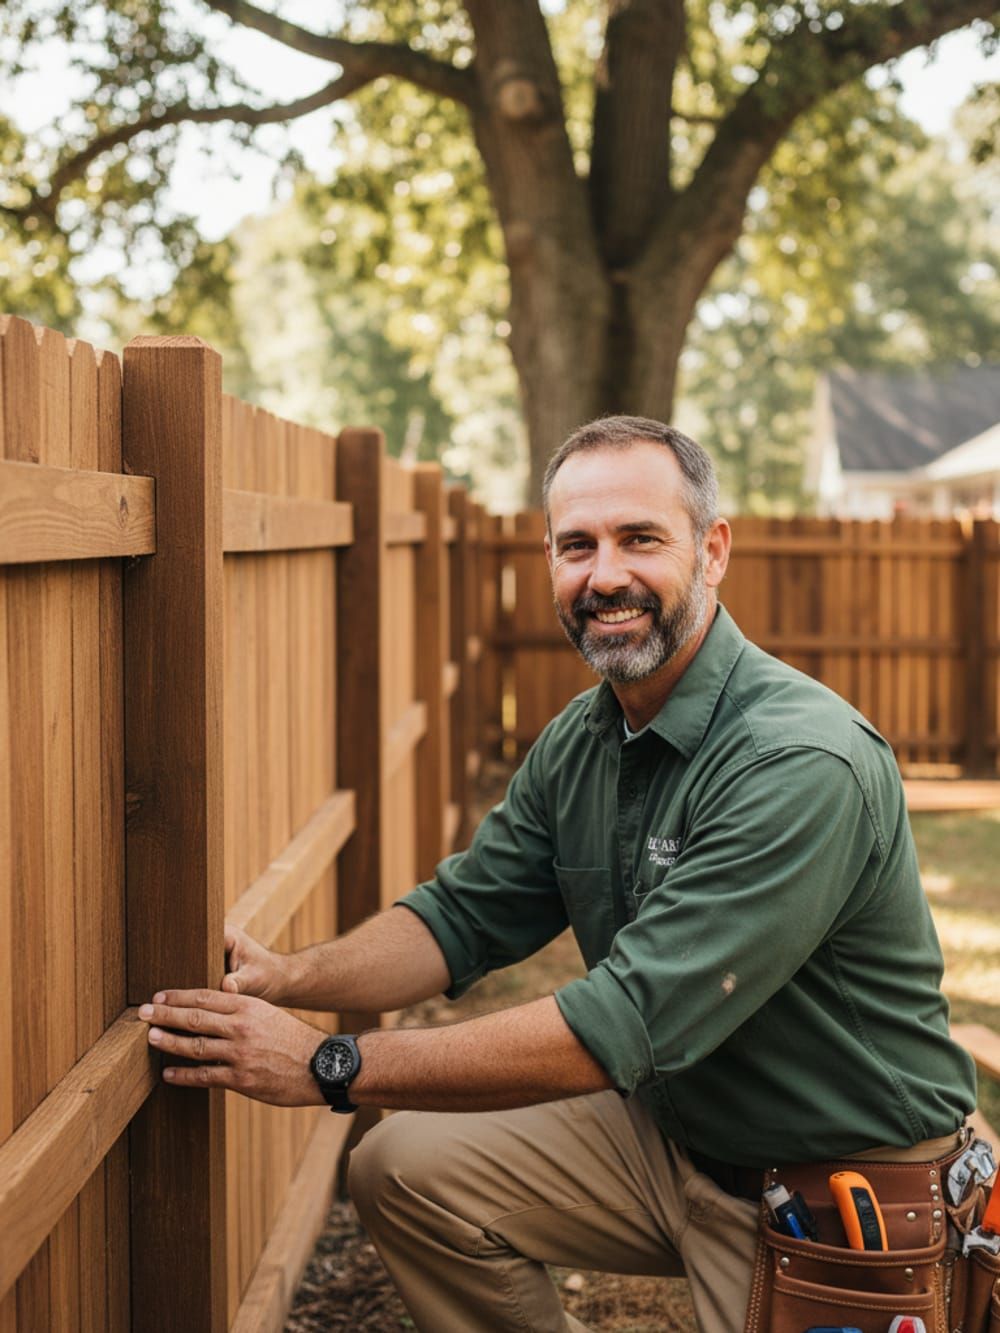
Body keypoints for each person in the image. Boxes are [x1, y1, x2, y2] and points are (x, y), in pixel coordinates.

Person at [139, 416, 976, 1333]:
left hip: (837, 1194)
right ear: (549, 559)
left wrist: (328, 1064)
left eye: (640, 538)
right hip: (678, 1139)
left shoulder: (800, 763)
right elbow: (459, 917)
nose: (605, 574)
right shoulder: (585, 740)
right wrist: (291, 974)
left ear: (712, 551)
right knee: (406, 1168)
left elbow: (620, 1025)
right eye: (577, 545)